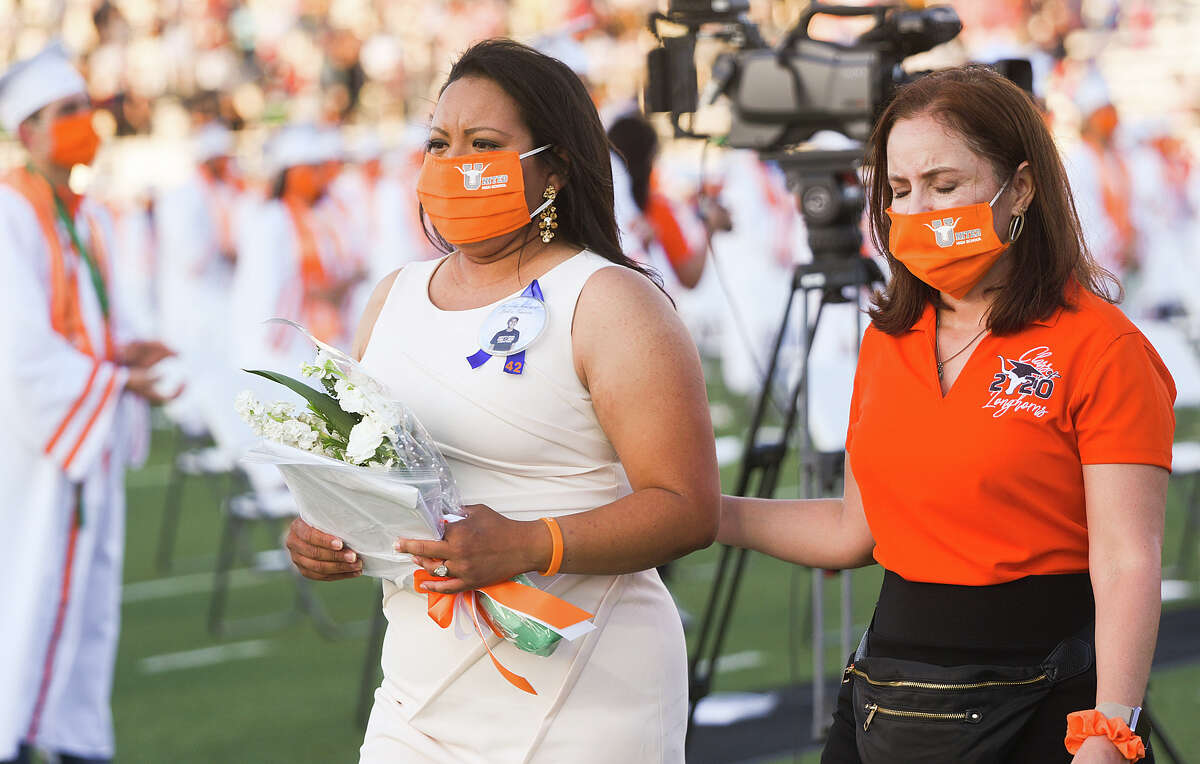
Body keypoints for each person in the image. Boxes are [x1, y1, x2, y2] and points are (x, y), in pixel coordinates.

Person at [718, 66, 1173, 763]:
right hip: (887, 697)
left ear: (1019, 187)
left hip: (1041, 699)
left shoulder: (1103, 346)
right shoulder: (887, 341)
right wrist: (706, 513)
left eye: (944, 184)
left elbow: (1126, 560)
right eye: (900, 190)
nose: (920, 209)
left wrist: (1109, 732)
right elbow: (852, 533)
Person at [284, 39, 719, 762]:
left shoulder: (611, 301)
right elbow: (375, 474)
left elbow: (687, 507)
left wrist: (528, 543)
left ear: (555, 168)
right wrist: (324, 530)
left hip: (588, 684)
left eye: (483, 143)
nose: (454, 164)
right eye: (438, 142)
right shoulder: (392, 299)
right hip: (418, 693)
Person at [0, 42, 177, 764]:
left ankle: (75, 735)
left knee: (88, 593)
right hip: (35, 444)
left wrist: (128, 352)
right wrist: (111, 382)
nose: (85, 123)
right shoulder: (9, 214)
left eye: (86, 108)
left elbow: (98, 321)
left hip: (84, 428)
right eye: (66, 112)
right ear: (28, 130)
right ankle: (18, 733)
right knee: (32, 585)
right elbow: (21, 349)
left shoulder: (86, 215)